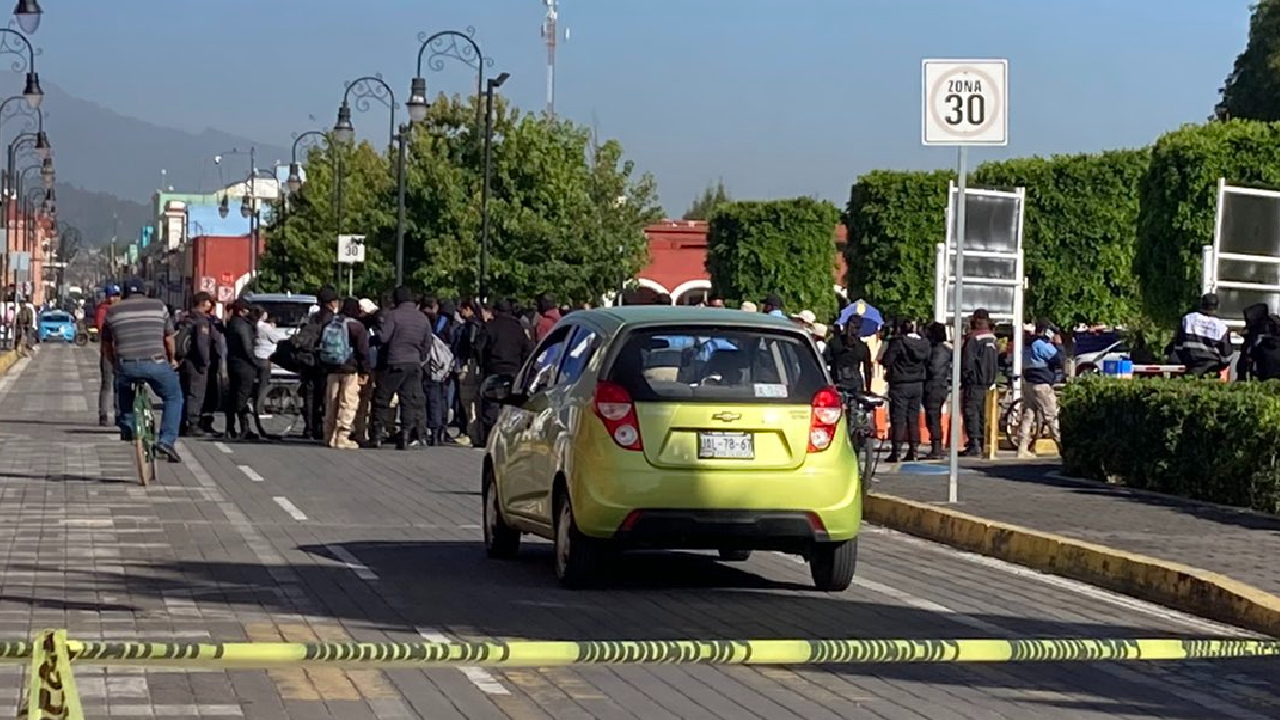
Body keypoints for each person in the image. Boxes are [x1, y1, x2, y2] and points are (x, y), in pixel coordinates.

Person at [101, 278, 183, 463]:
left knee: (123, 387)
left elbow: (106, 345)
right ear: (145, 292)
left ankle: (127, 424)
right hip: (156, 362)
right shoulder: (159, 307)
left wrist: (115, 363)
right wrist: (172, 359)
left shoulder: (112, 311)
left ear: (124, 293)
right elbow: (169, 339)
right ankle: (166, 441)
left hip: (127, 363)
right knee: (174, 397)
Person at [371, 286, 431, 450]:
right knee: (408, 401)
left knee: (382, 399)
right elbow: (427, 343)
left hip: (394, 362)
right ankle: (405, 436)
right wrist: (419, 356)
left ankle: (376, 435)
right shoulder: (422, 318)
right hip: (413, 363)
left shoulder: (393, 315)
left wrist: (376, 334)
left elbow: (383, 338)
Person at [480, 299, 533, 443]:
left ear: (496, 311)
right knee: (511, 406)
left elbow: (480, 348)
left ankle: (490, 436)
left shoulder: (490, 327)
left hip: (494, 369)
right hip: (514, 371)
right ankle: (509, 438)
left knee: (491, 404)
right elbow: (528, 349)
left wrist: (483, 364)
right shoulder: (518, 328)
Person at [321, 298, 371, 449]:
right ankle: (342, 437)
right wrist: (365, 371)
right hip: (350, 369)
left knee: (332, 403)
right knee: (348, 403)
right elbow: (363, 352)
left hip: (332, 368)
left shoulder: (331, 323)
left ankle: (329, 436)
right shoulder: (357, 327)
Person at [880, 319, 929, 463]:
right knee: (913, 418)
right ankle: (914, 451)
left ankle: (896, 452)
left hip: (900, 384)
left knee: (898, 419)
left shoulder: (898, 342)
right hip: (917, 383)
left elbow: (887, 360)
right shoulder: (924, 343)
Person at [1019, 319, 1064, 458]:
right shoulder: (1040, 345)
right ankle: (1062, 446)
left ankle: (1022, 448)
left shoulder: (1028, 344)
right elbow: (1058, 359)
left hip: (1029, 383)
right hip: (1042, 384)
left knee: (1028, 415)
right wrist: (1059, 344)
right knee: (1051, 415)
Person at [176, 292, 215, 438]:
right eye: (209, 302)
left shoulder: (185, 319)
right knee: (196, 394)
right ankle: (193, 425)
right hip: (196, 362)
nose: (210, 305)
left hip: (184, 361)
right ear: (203, 303)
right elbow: (201, 344)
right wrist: (205, 363)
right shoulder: (201, 321)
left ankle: (181, 424)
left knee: (184, 392)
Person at [960, 316, 999, 457]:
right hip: (988, 384)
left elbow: (967, 362)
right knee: (983, 414)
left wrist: (965, 379)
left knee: (972, 413)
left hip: (974, 383)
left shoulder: (973, 339)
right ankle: (983, 444)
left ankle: (974, 445)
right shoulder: (992, 339)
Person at [223, 299, 259, 440]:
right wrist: (255, 362)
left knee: (233, 395)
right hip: (244, 365)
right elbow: (247, 347)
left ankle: (230, 427)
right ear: (241, 310)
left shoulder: (231, 323)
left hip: (232, 363)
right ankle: (245, 428)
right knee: (242, 397)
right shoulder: (242, 325)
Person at [453, 300, 487, 447]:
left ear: (468, 309)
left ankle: (470, 433)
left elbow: (471, 345)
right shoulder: (478, 324)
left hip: (469, 364)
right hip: (473, 364)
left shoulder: (471, 325)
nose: (460, 312)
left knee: (468, 400)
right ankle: (472, 432)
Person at [1174, 292, 1232, 377]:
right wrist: (1223, 364)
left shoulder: (1188, 319)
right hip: (1212, 368)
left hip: (1190, 364)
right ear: (1217, 307)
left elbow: (1178, 345)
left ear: (1201, 304)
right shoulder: (1221, 326)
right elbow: (1226, 355)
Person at [252, 306, 290, 420]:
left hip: (255, 355)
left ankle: (254, 404)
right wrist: (273, 329)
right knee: (263, 384)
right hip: (266, 356)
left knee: (256, 383)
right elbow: (275, 338)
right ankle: (259, 409)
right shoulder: (265, 327)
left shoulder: (252, 325)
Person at [923, 321, 951, 460]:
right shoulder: (942, 350)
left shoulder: (938, 351)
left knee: (933, 417)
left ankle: (936, 447)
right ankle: (937, 446)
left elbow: (934, 368)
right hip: (938, 386)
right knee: (933, 417)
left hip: (935, 386)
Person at [94, 284, 122, 427]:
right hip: (107, 351)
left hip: (121, 351)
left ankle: (119, 413)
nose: (115, 299)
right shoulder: (103, 310)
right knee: (107, 384)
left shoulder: (122, 309)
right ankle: (103, 414)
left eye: (117, 295)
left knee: (119, 384)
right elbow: (101, 328)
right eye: (112, 296)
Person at [825, 317, 873, 397]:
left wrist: (868, 389)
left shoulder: (834, 342)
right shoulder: (835, 343)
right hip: (842, 384)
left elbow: (867, 370)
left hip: (846, 385)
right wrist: (868, 389)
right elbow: (867, 370)